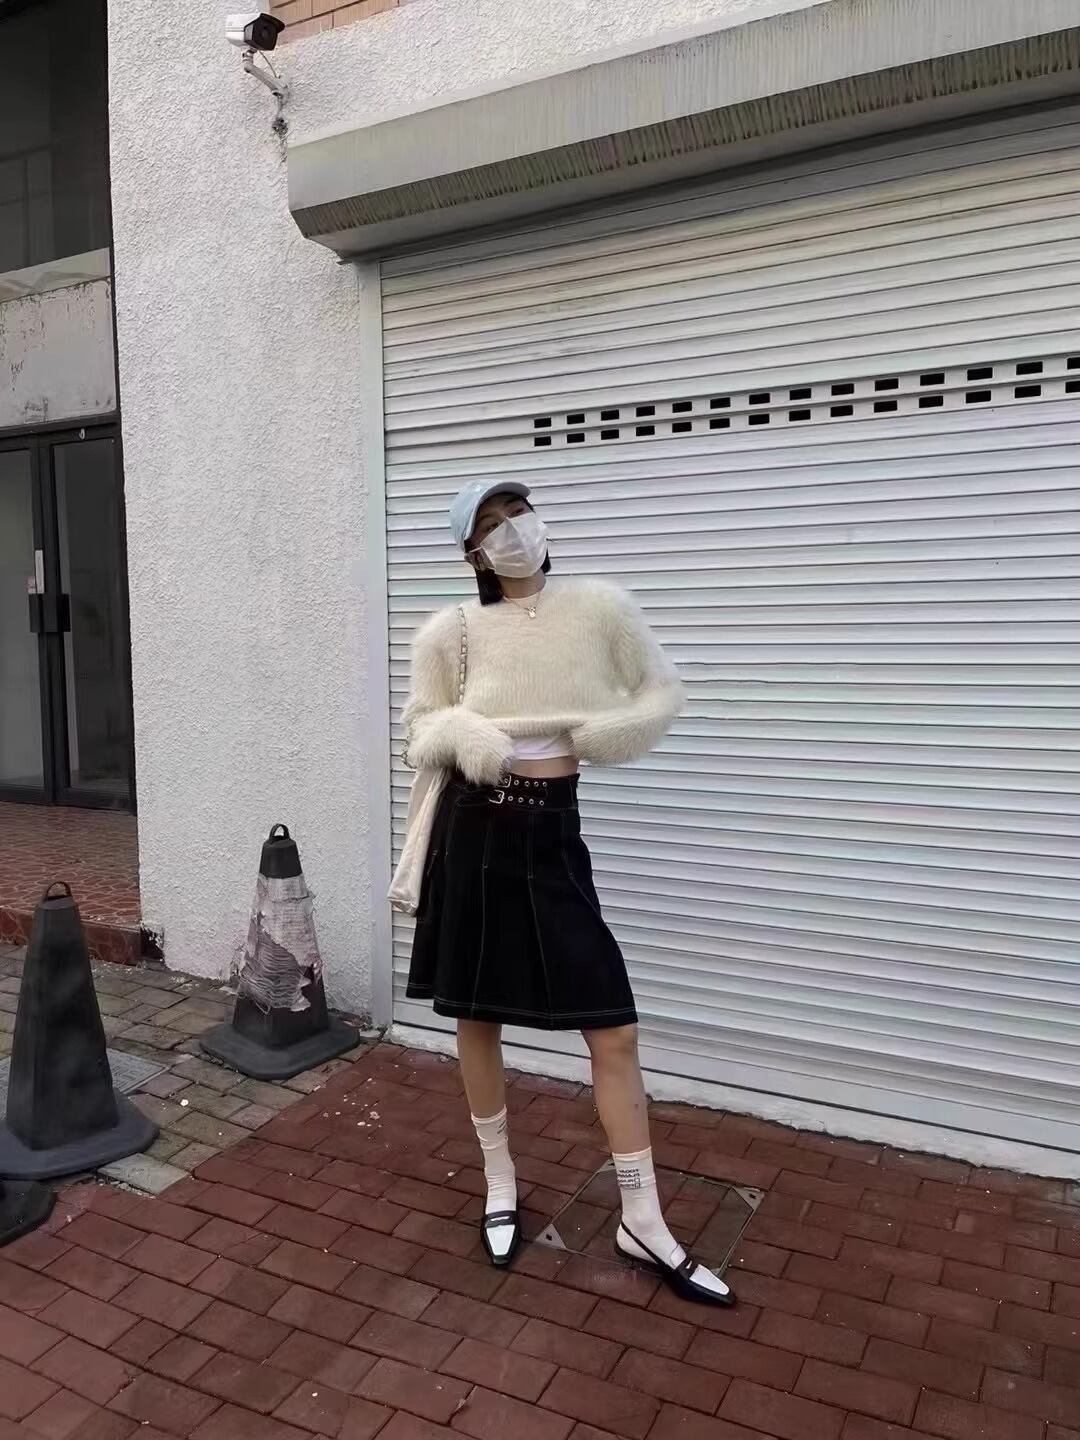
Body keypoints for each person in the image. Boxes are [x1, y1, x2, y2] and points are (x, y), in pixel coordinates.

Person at [401, 478, 734, 1307]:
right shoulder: (451, 631)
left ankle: (641, 1218)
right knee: (477, 1016)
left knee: (612, 1026)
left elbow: (662, 690)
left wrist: (606, 734)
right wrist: (467, 733)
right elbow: (421, 728)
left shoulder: (599, 608)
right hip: (474, 831)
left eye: (517, 513)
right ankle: (500, 1183)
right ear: (472, 554)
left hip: (553, 830)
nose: (512, 532)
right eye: (490, 525)